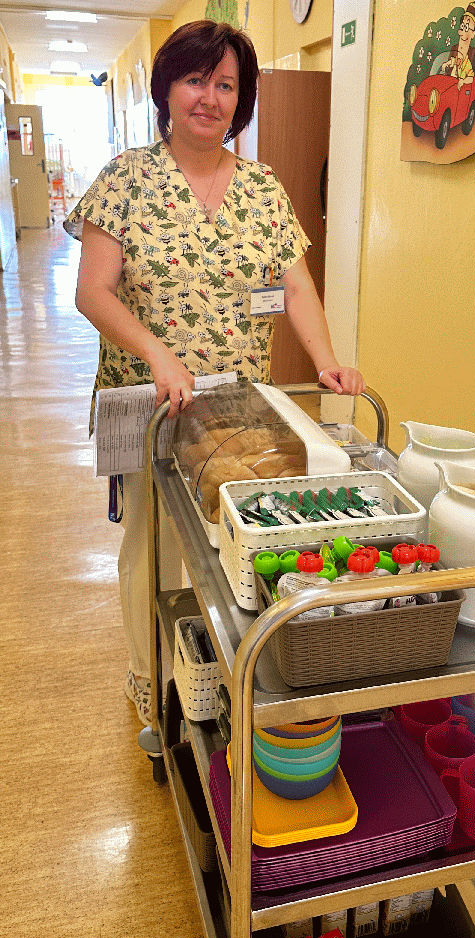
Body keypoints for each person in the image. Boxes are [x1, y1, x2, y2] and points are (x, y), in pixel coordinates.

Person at [65, 20, 365, 725]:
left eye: (226, 85)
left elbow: (295, 286)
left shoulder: (263, 187)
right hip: (149, 404)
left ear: (242, 100)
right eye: (196, 79)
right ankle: (149, 676)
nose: (210, 97)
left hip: (238, 411)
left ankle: (218, 670)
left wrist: (326, 361)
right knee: (152, 544)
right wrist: (156, 352)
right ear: (167, 89)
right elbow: (92, 292)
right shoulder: (125, 179)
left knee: (230, 541)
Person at [441, 3, 475, 89]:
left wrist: (463, 81)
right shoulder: (454, 49)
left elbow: (471, 77)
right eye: (462, 26)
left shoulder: (471, 55)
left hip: (460, 88)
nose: (463, 30)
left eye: (467, 27)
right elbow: (451, 62)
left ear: (473, 33)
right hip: (449, 84)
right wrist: (446, 64)